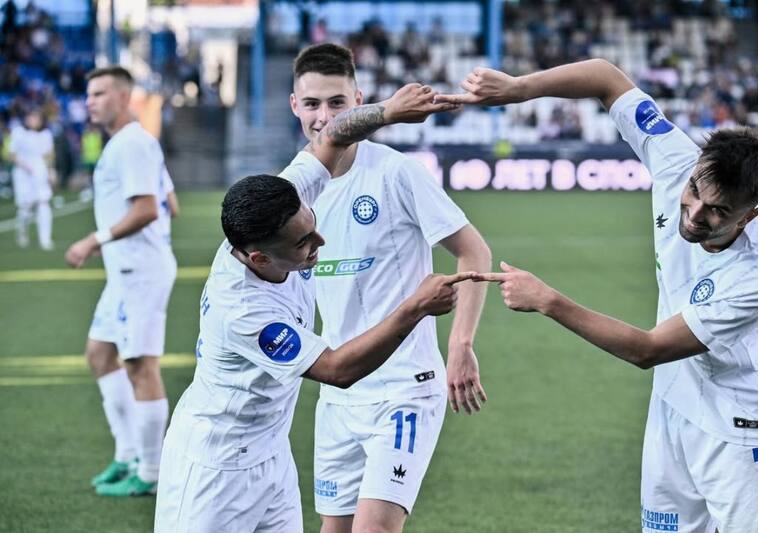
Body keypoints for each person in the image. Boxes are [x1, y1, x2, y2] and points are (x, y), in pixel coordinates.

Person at [438, 60, 758, 532]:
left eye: (717, 211)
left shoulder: (757, 278)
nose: (693, 214)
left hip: (738, 428)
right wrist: (519, 88)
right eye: (694, 191)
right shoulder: (676, 159)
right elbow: (607, 78)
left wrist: (548, 301)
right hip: (673, 404)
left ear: (748, 217)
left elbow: (648, 349)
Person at [154, 84, 469, 532]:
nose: (320, 241)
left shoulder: (281, 205)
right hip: (216, 468)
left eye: (313, 224)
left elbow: (331, 137)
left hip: (272, 455)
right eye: (304, 243)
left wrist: (388, 111)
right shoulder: (244, 309)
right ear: (259, 259)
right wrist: (413, 308)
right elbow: (337, 370)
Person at [284, 43, 492, 533]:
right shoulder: (294, 190)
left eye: (337, 102)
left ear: (359, 100)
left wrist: (460, 344)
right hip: (338, 392)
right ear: (294, 105)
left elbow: (474, 252)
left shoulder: (396, 172)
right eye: (312, 104)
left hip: (404, 389)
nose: (324, 117)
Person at [65, 66, 177, 497]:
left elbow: (148, 208)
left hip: (140, 271)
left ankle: (150, 472)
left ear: (125, 97)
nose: (90, 101)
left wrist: (95, 239)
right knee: (99, 354)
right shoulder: (132, 143)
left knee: (139, 366)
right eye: (88, 94)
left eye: (100, 93)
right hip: (127, 270)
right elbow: (170, 203)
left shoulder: (131, 144)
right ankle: (127, 453)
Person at [8, 108, 54, 249]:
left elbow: (49, 155)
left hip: (40, 172)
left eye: (37, 118)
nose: (34, 120)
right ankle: (22, 232)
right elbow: (12, 154)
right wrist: (25, 165)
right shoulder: (18, 132)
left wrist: (51, 170)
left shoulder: (46, 134)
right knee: (26, 206)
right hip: (22, 174)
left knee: (44, 202)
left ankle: (45, 239)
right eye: (31, 117)